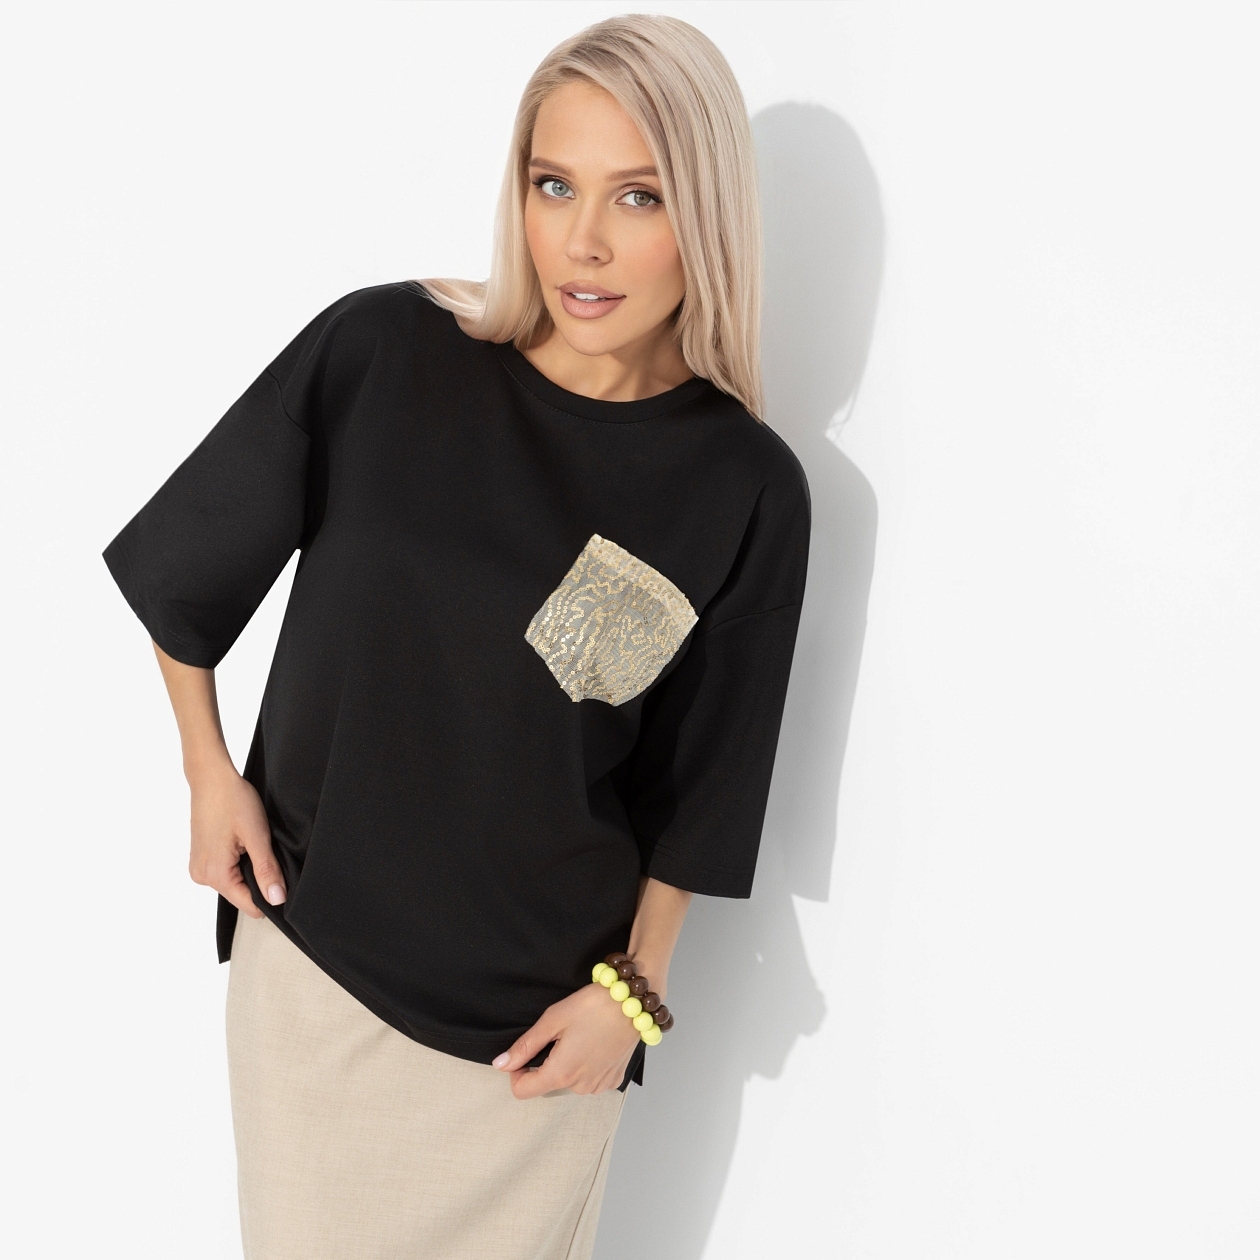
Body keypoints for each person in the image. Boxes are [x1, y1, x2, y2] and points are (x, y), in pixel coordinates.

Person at [103, 14, 810, 1260]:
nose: (583, 242)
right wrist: (207, 773)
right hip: (319, 982)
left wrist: (632, 1001)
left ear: (703, 215)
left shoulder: (741, 484)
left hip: (537, 1046)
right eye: (554, 185)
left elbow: (702, 792)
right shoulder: (384, 351)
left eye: (638, 196)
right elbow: (191, 564)